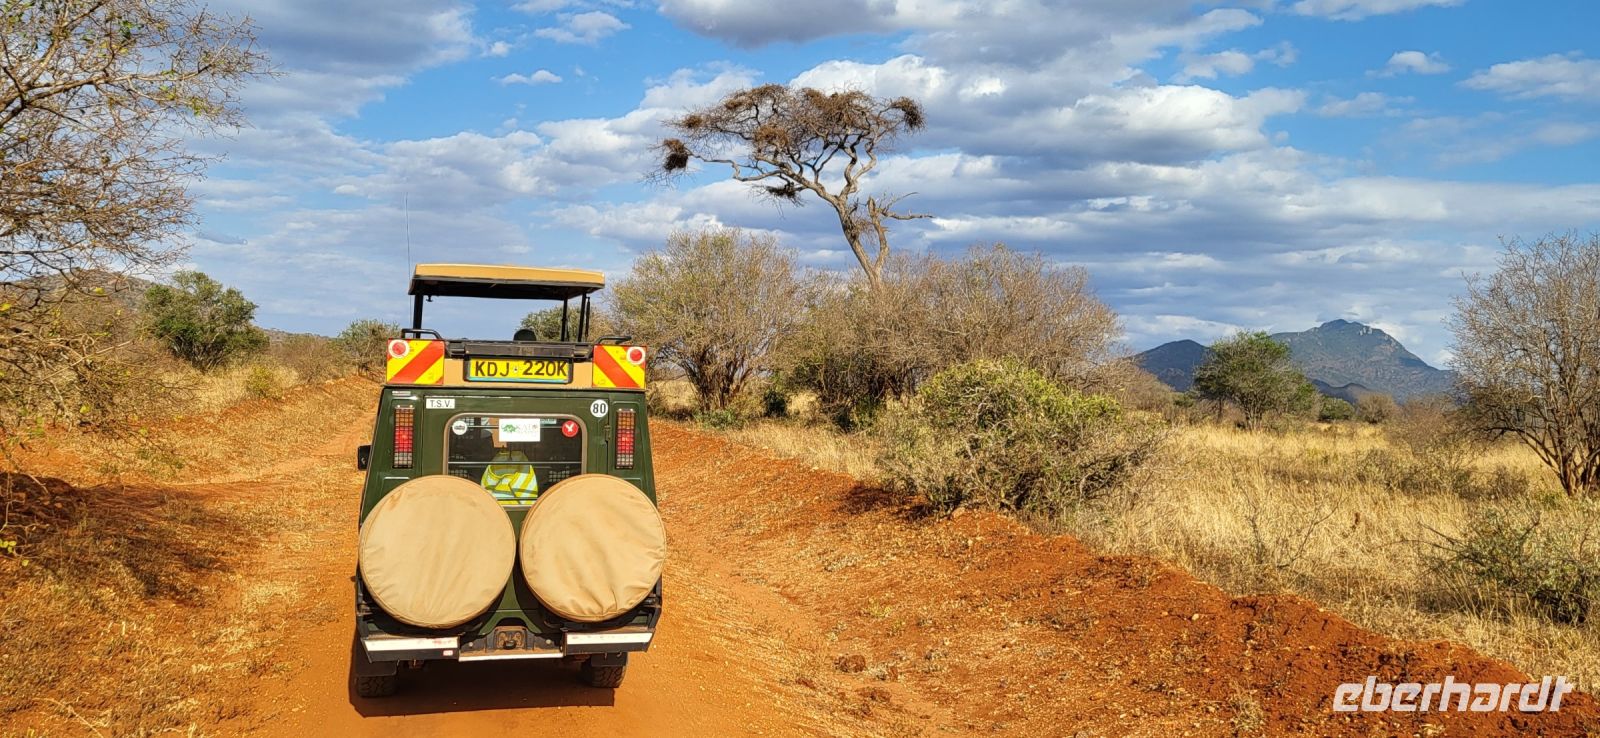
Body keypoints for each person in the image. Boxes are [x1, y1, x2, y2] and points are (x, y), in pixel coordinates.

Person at [480, 426, 539, 505]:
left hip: (493, 509)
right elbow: (528, 499)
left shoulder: (496, 461)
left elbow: (485, 489)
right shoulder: (524, 465)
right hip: (518, 510)